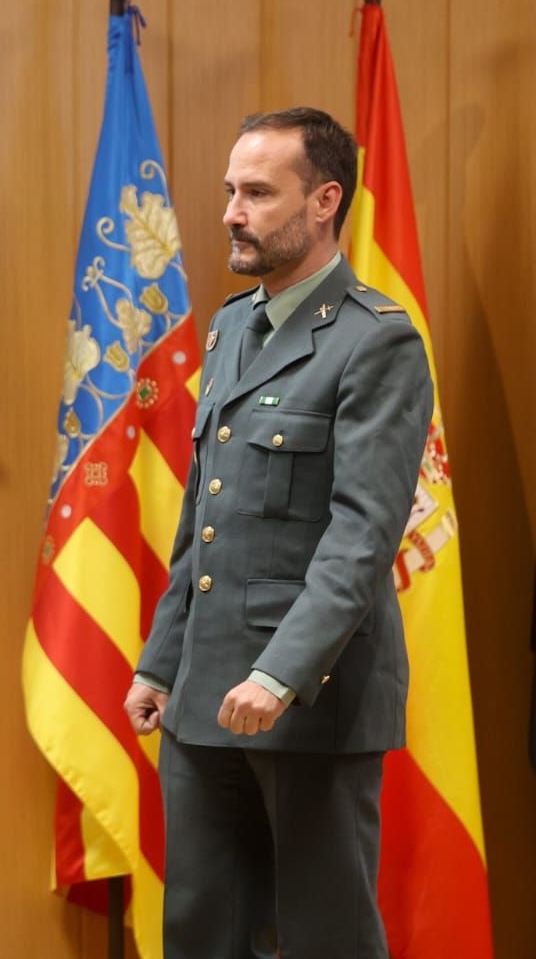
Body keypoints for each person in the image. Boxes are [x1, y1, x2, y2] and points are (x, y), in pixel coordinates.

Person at [123, 107, 433, 958]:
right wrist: (161, 657)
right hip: (203, 696)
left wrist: (280, 674)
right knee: (199, 929)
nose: (231, 211)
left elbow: (362, 537)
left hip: (309, 698)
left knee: (324, 934)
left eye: (258, 193)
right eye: (230, 191)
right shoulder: (231, 326)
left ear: (324, 199)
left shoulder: (376, 342)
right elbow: (205, 519)